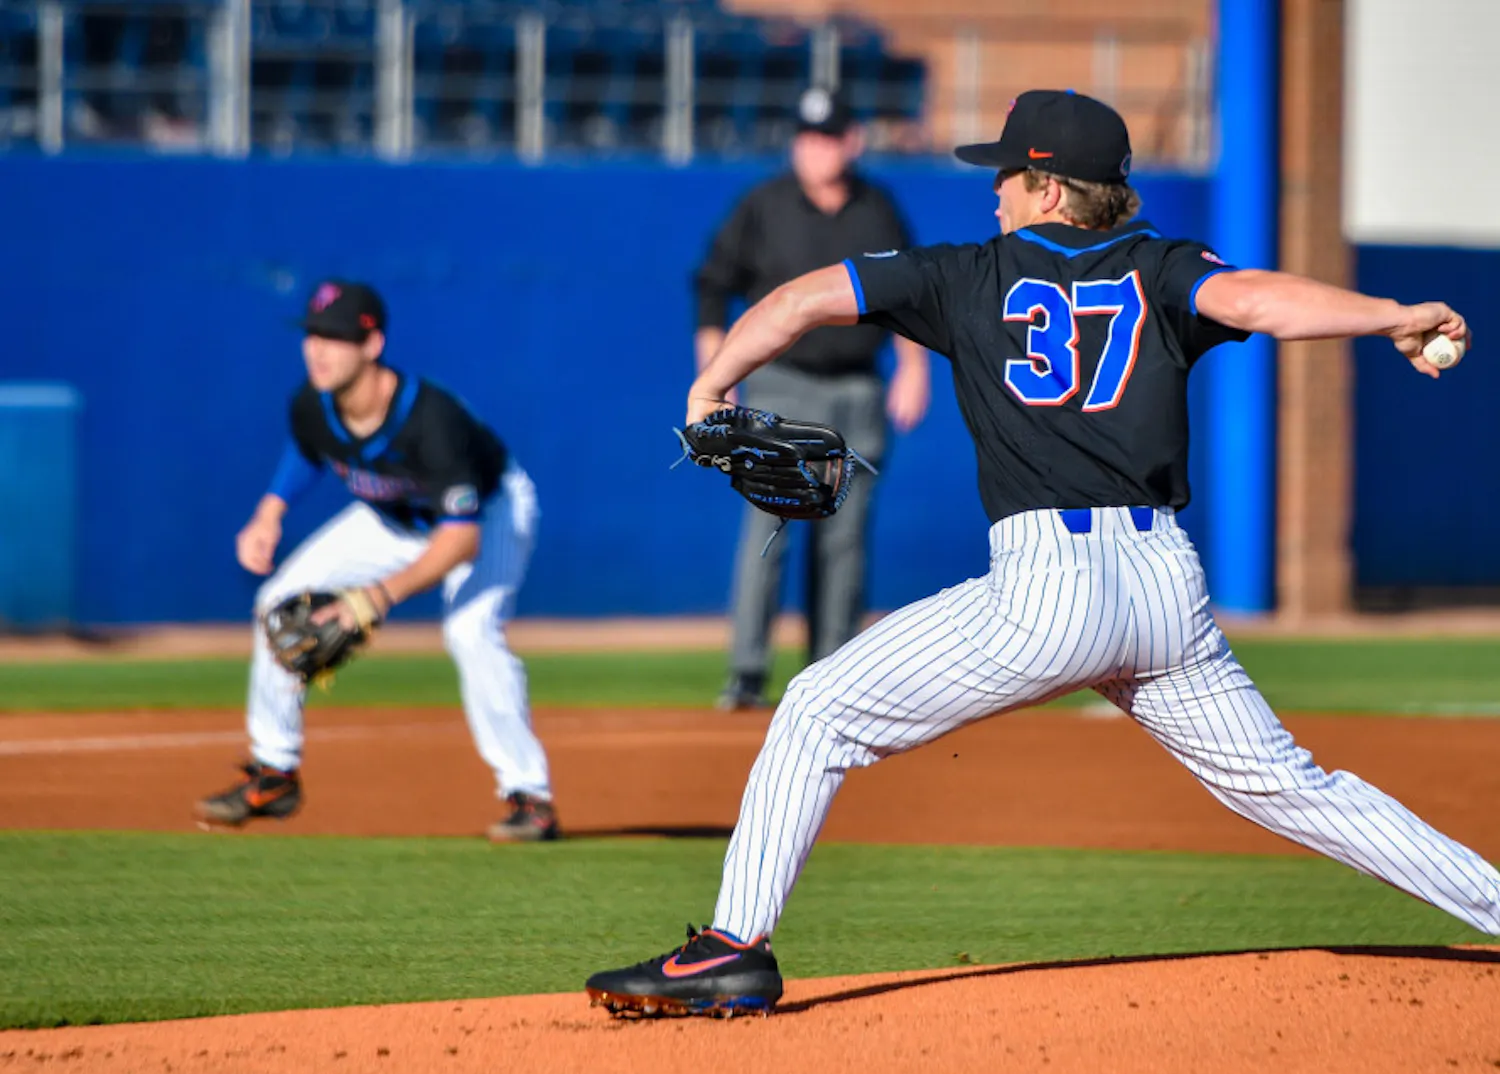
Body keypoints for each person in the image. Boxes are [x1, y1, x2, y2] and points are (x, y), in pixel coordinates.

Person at [584, 90, 1500, 1016]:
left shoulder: (964, 275)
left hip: (1048, 591)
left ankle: (734, 948)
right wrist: (1392, 314)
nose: (996, 192)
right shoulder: (1163, 266)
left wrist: (711, 385)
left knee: (818, 708)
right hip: (1163, 590)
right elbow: (1262, 299)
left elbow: (800, 299)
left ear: (1050, 189)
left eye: (1009, 175)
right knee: (1295, 787)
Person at [195, 279, 560, 843]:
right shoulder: (312, 403)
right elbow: (308, 445)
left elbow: (460, 541)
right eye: (312, 335)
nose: (318, 349)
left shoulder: (431, 420)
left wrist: (374, 597)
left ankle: (529, 797)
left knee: (471, 632)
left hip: (487, 514)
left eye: (335, 337)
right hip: (394, 516)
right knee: (276, 603)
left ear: (372, 345)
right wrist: (269, 512)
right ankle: (274, 774)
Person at [696, 86, 932, 711]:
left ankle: (832, 674)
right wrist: (716, 374)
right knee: (770, 526)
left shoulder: (877, 209)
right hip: (781, 386)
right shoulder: (765, 206)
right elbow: (713, 284)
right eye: (806, 138)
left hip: (857, 385)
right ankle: (747, 673)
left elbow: (909, 295)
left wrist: (914, 366)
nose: (816, 150)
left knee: (845, 538)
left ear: (851, 142)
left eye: (828, 137)